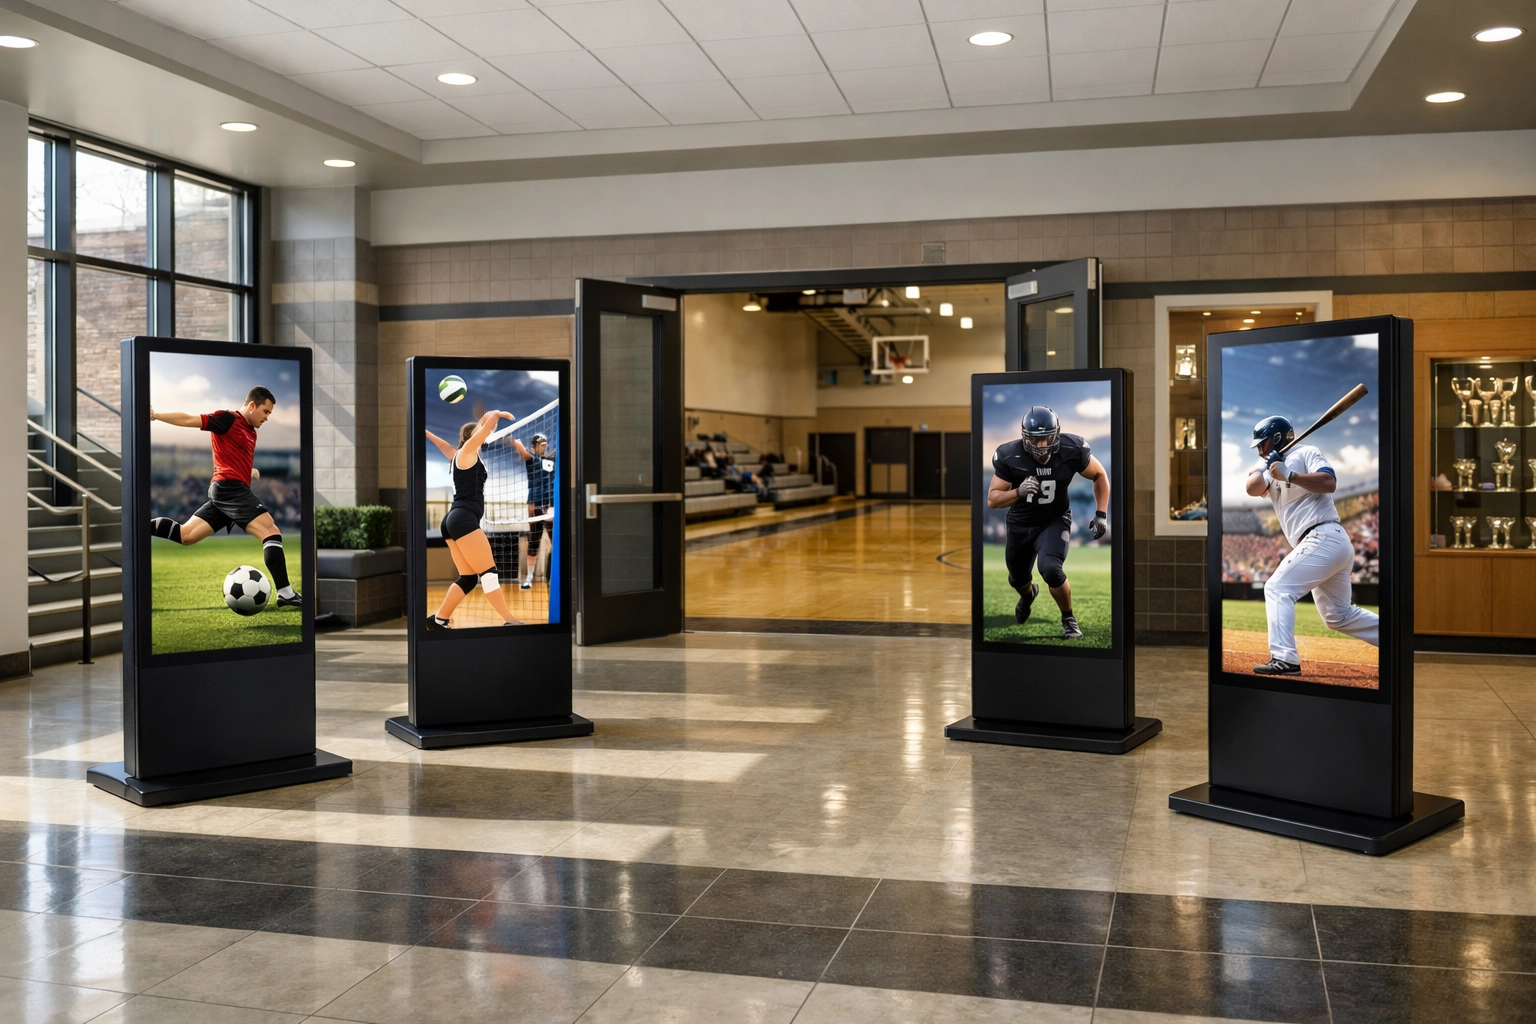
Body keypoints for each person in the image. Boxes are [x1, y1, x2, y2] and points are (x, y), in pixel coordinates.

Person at [1243, 415, 1379, 675]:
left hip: (1323, 536)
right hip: (1322, 544)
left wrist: (1290, 475)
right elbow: (1251, 488)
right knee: (1338, 616)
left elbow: (1329, 483)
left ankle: (1285, 659)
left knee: (1277, 587)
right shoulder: (1269, 468)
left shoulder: (1306, 452)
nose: (1260, 450)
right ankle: (1397, 639)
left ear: (1279, 438)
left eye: (1263, 444)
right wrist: (1268, 468)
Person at [148, 386, 300, 608]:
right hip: (229, 489)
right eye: (266, 412)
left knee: (186, 535)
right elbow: (191, 419)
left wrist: (248, 471)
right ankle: (285, 592)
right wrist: (156, 415)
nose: (267, 418)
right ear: (252, 405)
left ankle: (139, 528)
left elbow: (232, 456)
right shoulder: (226, 419)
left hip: (228, 489)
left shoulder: (251, 432)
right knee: (271, 531)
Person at [988, 406, 1110, 640]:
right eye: (1035, 439)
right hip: (1021, 524)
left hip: (1054, 520)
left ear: (1057, 434)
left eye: (1046, 438)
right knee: (1017, 578)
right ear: (1025, 437)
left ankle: (1068, 619)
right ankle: (1027, 595)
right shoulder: (1009, 455)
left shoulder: (1072, 448)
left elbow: (1099, 475)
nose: (1041, 445)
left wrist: (1101, 513)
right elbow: (993, 500)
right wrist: (1019, 491)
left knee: (1051, 569)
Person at [423, 409, 522, 628]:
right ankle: (510, 620)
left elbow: (442, 445)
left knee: (468, 578)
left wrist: (425, 432)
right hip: (463, 518)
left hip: (453, 520)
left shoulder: (457, 455)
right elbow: (485, 429)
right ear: (472, 436)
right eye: (479, 434)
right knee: (489, 573)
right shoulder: (467, 451)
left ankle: (439, 620)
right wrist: (493, 414)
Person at [510, 432, 555, 590]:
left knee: (555, 541)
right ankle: (529, 577)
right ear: (534, 447)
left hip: (551, 506)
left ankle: (553, 575)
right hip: (535, 506)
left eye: (545, 444)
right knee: (533, 542)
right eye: (540, 444)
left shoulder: (552, 460)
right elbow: (524, 453)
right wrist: (515, 442)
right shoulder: (532, 460)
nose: (543, 446)